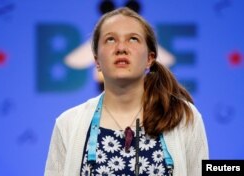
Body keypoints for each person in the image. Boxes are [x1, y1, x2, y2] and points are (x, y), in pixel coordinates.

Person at [44, 7, 208, 176]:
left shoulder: (183, 116)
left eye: (133, 39)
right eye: (110, 40)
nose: (121, 47)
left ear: (150, 59)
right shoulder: (67, 124)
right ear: (97, 60)